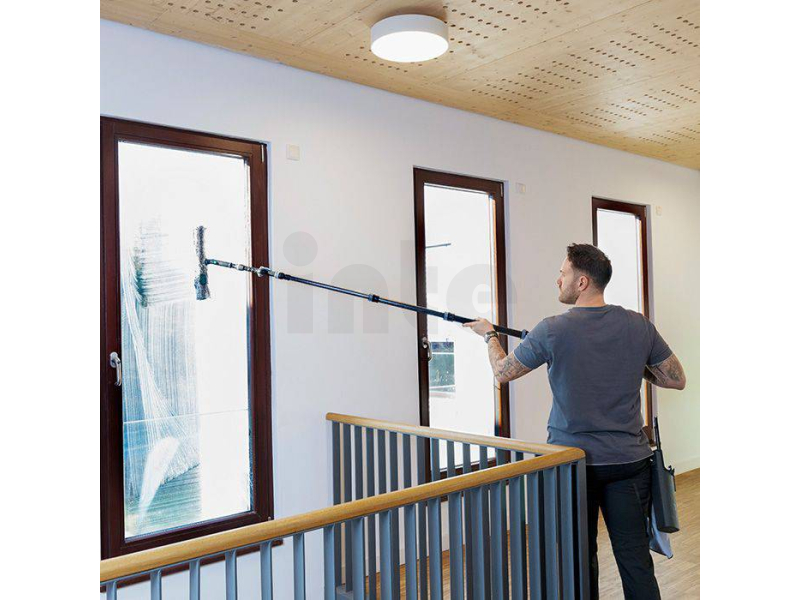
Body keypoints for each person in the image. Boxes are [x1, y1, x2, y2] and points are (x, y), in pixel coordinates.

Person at [464, 243, 686, 600]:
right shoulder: (638, 324)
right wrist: (633, 364)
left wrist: (490, 334)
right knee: (635, 559)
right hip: (628, 463)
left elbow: (503, 373)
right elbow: (675, 378)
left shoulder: (551, 330)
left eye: (563, 273)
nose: (558, 279)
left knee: (578, 560)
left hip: (572, 465)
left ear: (582, 282)